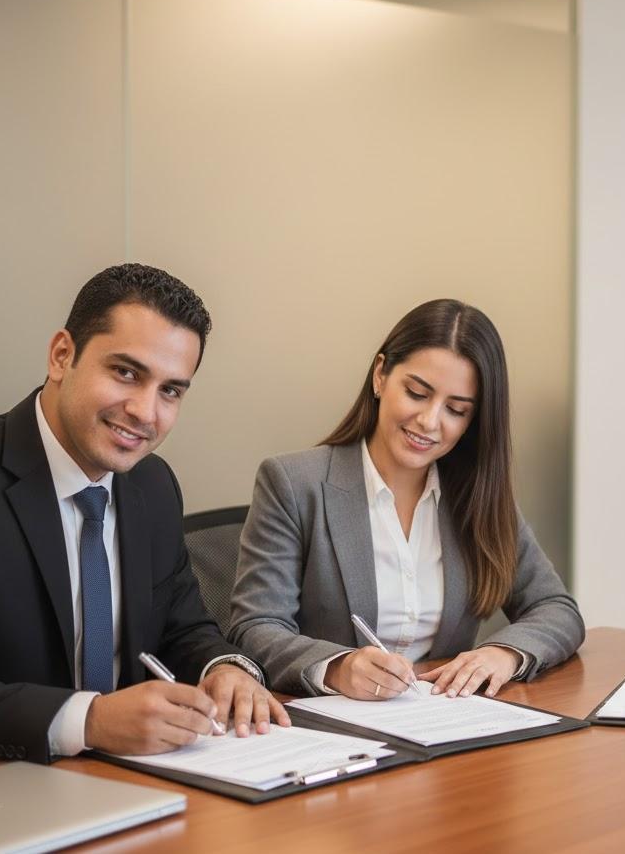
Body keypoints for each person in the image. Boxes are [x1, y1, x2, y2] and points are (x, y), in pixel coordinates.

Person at [0, 264, 289, 765]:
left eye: (170, 390)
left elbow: (184, 628)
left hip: (133, 782)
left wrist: (224, 668)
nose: (145, 412)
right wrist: (89, 721)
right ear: (62, 355)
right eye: (126, 373)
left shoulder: (153, 485)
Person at [230, 299, 584, 700]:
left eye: (456, 410)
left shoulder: (478, 497)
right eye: (417, 393)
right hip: (332, 720)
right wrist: (339, 667)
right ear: (380, 375)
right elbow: (254, 627)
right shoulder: (294, 483)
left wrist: (503, 654)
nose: (430, 422)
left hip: (440, 719)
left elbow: (557, 609)